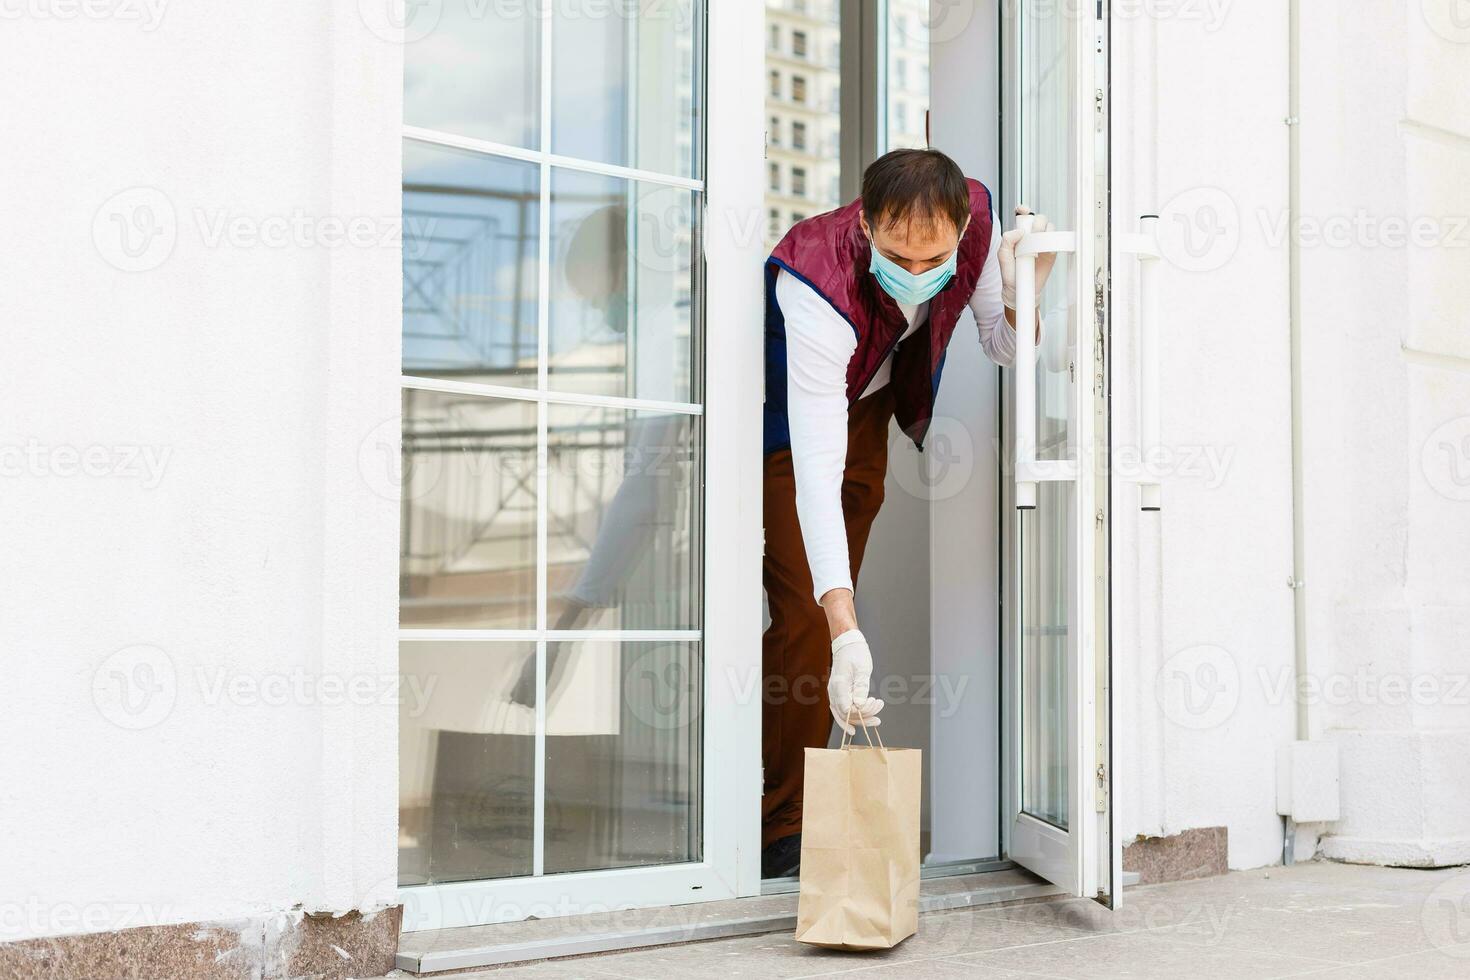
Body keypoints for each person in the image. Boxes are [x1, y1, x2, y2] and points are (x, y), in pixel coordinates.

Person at [760, 147, 1056, 878]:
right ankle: (778, 824)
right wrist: (845, 626)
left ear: (961, 227)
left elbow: (1005, 343)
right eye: (898, 254)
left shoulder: (976, 219)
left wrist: (1030, 289)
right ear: (865, 224)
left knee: (819, 618)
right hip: (789, 421)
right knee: (808, 616)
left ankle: (786, 805)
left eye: (935, 256)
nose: (918, 273)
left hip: (870, 406)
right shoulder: (816, 283)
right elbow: (816, 475)